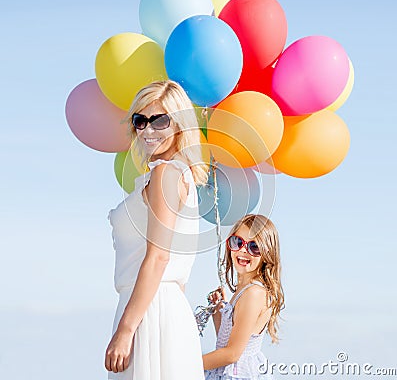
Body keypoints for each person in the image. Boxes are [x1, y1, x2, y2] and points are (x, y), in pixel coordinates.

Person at [105, 80, 209, 380]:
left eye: (159, 120)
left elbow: (159, 258)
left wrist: (126, 329)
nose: (148, 130)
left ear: (180, 124)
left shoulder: (166, 174)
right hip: (156, 307)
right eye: (140, 121)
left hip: (149, 312)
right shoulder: (171, 174)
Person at [203, 214, 285, 380]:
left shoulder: (254, 294)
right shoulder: (244, 292)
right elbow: (227, 343)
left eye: (254, 247)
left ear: (267, 253)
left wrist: (185, 365)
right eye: (237, 242)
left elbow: (232, 354)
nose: (242, 250)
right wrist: (219, 313)